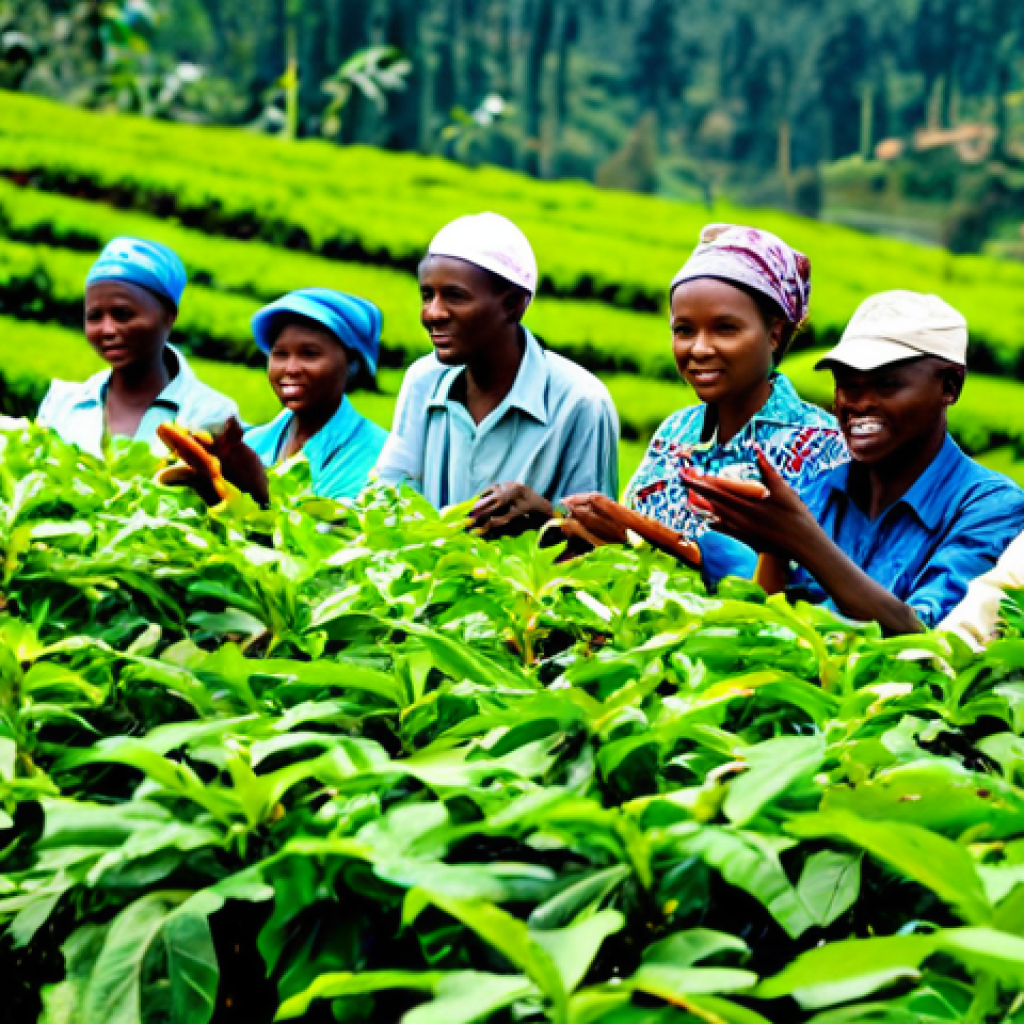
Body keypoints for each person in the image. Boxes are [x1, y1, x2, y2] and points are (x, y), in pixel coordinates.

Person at [685, 291, 1024, 634]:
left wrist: (805, 543)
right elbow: (768, 626)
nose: (859, 404)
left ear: (949, 386)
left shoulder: (989, 507)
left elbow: (932, 648)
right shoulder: (819, 494)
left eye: (886, 385)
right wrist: (773, 549)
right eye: (847, 385)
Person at [623, 224, 847, 578]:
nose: (699, 348)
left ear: (774, 333)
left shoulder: (824, 449)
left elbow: (830, 590)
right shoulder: (674, 433)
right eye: (684, 330)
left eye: (725, 329)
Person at [375, 212, 619, 534]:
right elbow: (387, 503)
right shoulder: (423, 381)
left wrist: (547, 520)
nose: (432, 313)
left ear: (513, 304)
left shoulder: (581, 402)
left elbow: (599, 547)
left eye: (454, 296)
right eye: (427, 295)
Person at [37, 237, 237, 457]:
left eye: (122, 314)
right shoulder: (60, 404)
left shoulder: (211, 414)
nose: (107, 330)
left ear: (168, 316)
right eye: (94, 317)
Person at [244, 289, 388, 500]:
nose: (290, 369)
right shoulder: (253, 443)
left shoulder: (380, 457)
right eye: (280, 354)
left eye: (309, 354)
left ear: (353, 365)